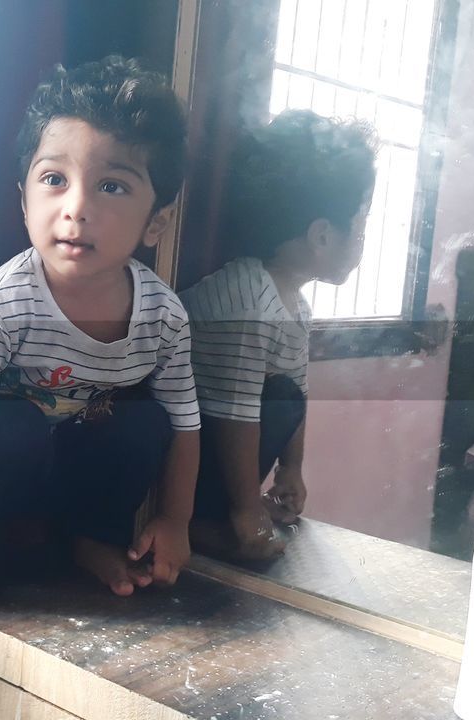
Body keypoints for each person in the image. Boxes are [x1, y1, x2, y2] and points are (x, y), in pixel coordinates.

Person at [0, 56, 200, 604]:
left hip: (75, 451)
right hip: (2, 454)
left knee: (144, 420)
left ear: (155, 223)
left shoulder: (163, 316)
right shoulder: (3, 303)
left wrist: (175, 519)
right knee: (10, 425)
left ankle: (89, 538)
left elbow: (185, 425)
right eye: (53, 180)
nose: (76, 209)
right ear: (24, 202)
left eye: (112, 187)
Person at [179, 110, 377, 560]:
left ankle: (222, 513)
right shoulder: (248, 301)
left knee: (286, 394)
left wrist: (292, 469)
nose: (363, 239)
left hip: (223, 428)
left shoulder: (293, 305)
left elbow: (294, 397)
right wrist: (247, 509)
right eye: (361, 225)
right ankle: (203, 522)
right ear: (322, 235)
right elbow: (235, 414)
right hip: (186, 443)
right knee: (275, 397)